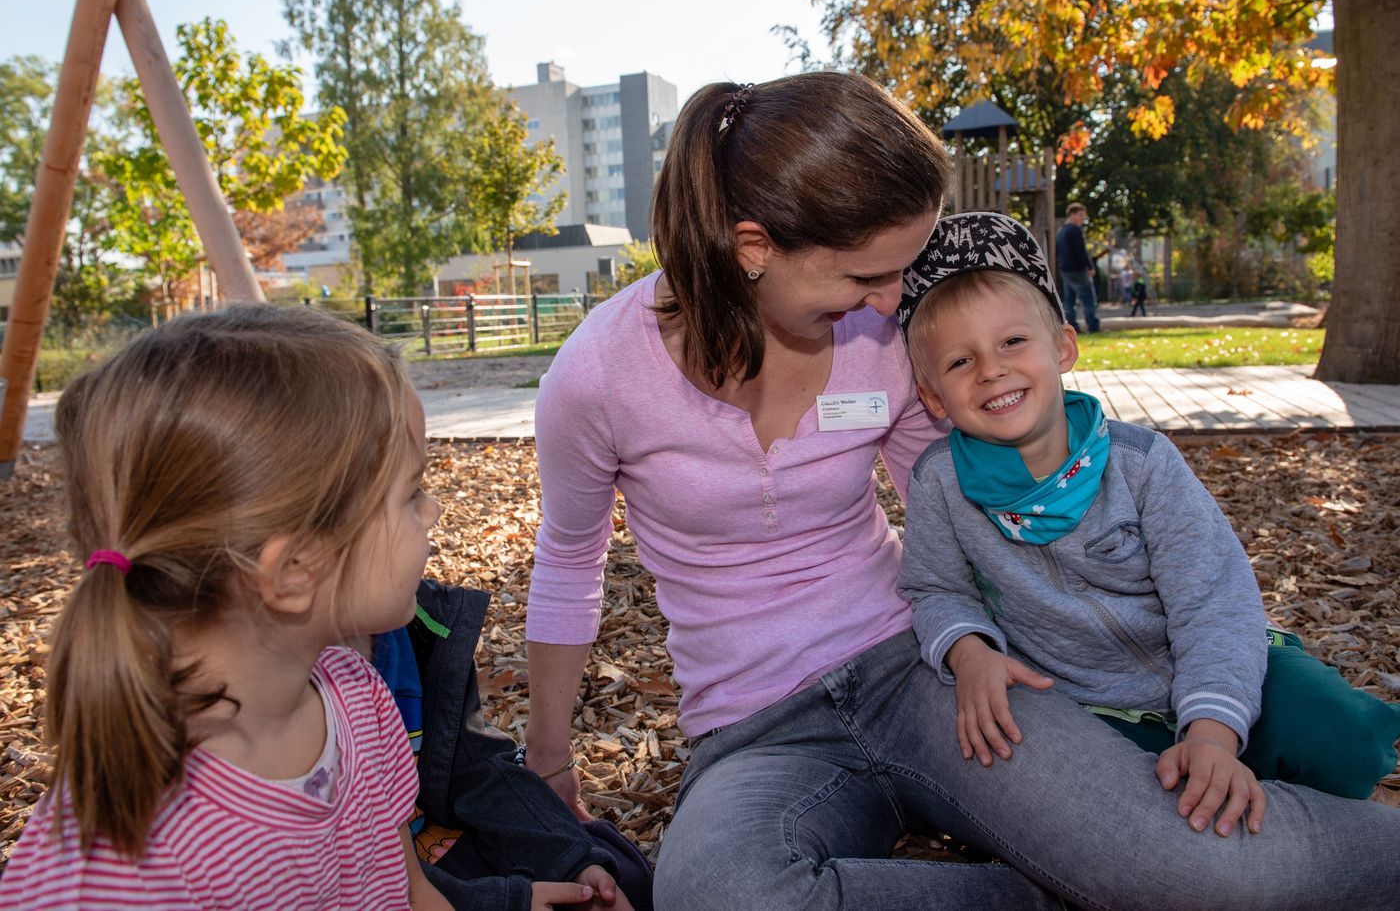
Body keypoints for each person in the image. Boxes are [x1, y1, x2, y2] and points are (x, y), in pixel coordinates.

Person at [525, 72, 1400, 911]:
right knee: (713, 895)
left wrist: (1067, 616)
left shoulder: (877, 338)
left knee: (1180, 856)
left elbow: (955, 500)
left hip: (931, 671)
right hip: (755, 730)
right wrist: (550, 755)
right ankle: (1066, 893)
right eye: (867, 276)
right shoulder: (599, 377)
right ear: (755, 249)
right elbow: (569, 559)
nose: (893, 298)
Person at [0, 306, 596, 911]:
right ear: (293, 572)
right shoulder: (122, 868)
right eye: (412, 492)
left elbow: (407, 893)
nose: (434, 510)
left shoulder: (356, 700)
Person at [896, 213, 1400, 836]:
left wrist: (1214, 732)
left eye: (1012, 343)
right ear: (934, 398)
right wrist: (969, 652)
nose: (991, 371)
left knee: (1344, 745)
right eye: (960, 360)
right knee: (1091, 809)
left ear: (1063, 347)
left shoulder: (1141, 464)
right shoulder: (940, 482)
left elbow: (1212, 599)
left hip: (1218, 664)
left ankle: (1296, 806)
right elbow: (935, 588)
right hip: (1086, 701)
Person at [361, 578, 651, 911]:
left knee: (619, 877)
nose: (427, 543)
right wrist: (507, 900)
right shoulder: (316, 700)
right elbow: (365, 874)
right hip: (391, 880)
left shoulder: (414, 626)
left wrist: (571, 860)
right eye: (406, 525)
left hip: (435, 835)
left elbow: (472, 766)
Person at [1054, 202, 1101, 333]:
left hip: (1065, 270)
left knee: (1069, 300)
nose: (1083, 218)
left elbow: (1057, 251)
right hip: (1078, 270)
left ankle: (1073, 327)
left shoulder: (1061, 231)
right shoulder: (1075, 230)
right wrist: (1090, 266)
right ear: (1072, 214)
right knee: (1089, 299)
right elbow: (1081, 251)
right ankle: (1093, 326)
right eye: (1081, 215)